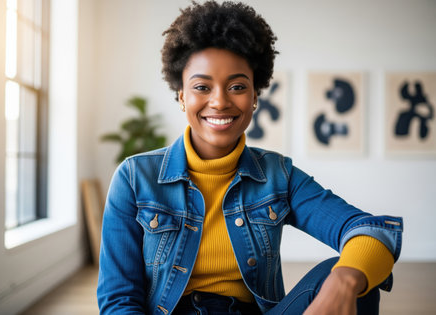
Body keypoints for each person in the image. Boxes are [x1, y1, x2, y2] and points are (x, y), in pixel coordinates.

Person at [97, 1, 403, 314]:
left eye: (237, 86)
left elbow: (370, 230)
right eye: (202, 86)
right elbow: (119, 300)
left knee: (351, 276)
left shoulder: (278, 176)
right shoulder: (134, 178)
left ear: (254, 97)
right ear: (182, 97)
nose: (219, 101)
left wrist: (346, 280)